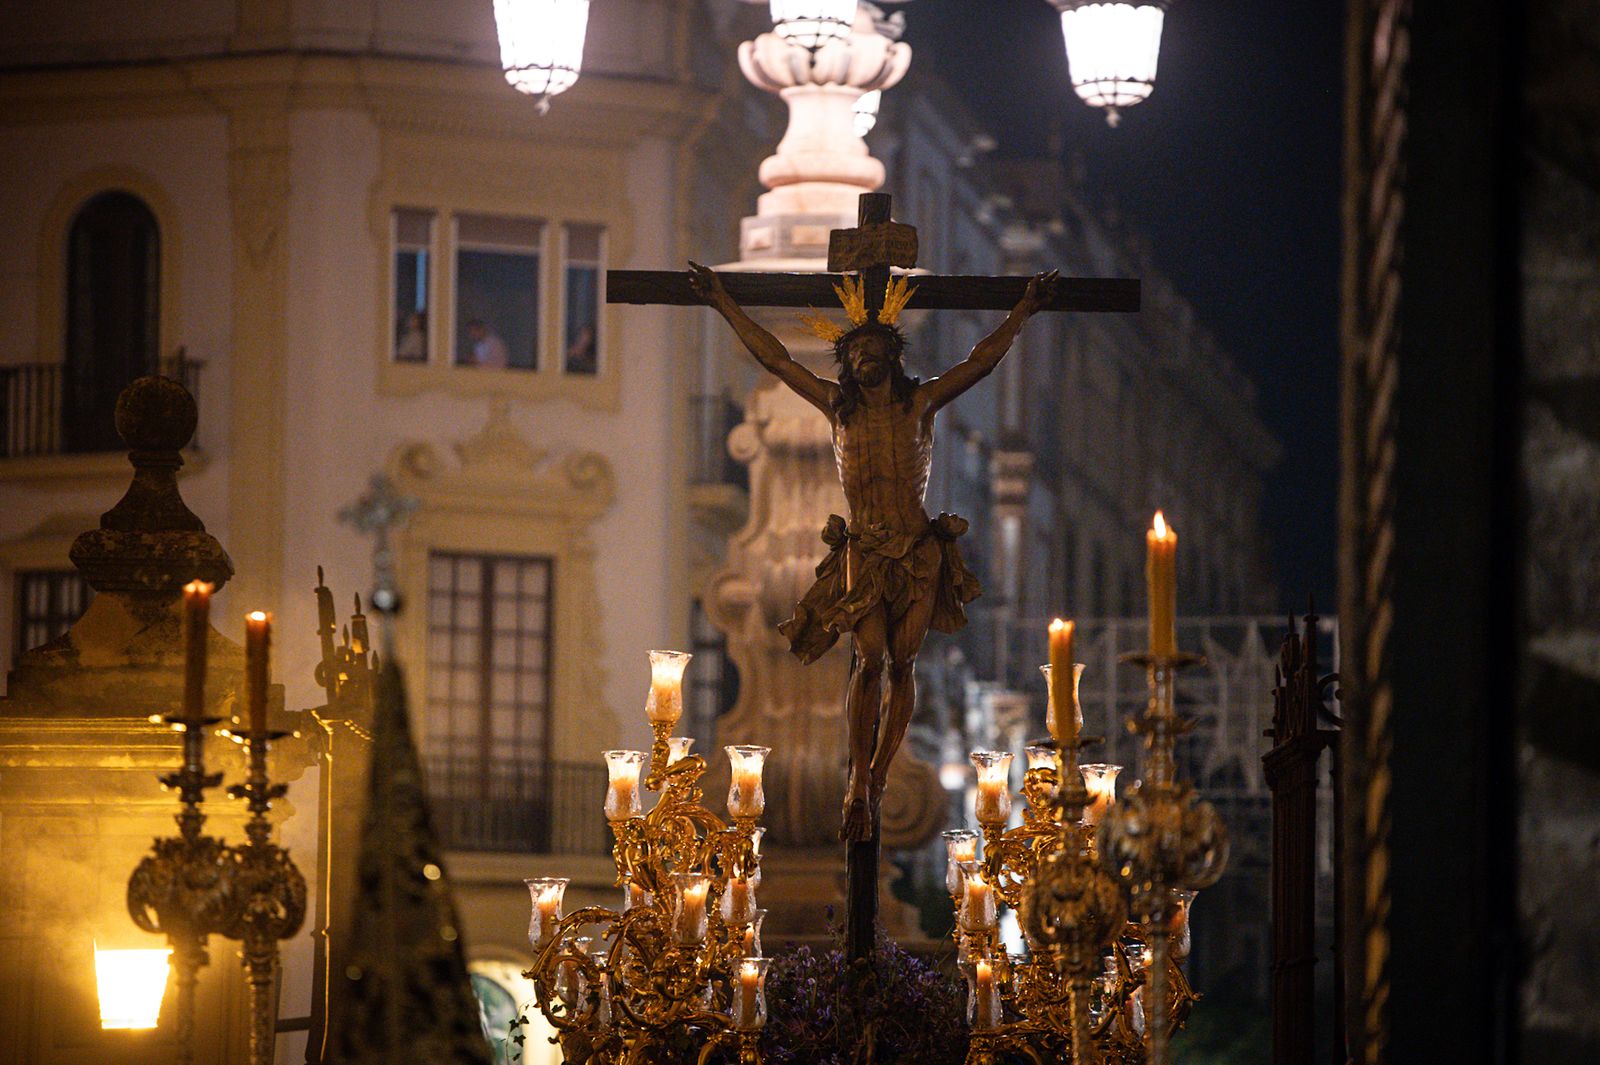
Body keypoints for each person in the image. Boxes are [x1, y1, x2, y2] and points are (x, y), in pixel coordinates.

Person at [689, 261, 1058, 841]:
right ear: (845, 362)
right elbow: (776, 359)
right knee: (869, 660)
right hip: (863, 548)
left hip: (917, 550)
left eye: (871, 349)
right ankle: (859, 778)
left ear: (891, 354)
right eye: (853, 352)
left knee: (904, 662)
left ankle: (880, 775)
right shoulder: (837, 408)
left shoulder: (920, 407)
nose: (861, 359)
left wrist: (1025, 310)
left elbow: (980, 362)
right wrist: (722, 303)